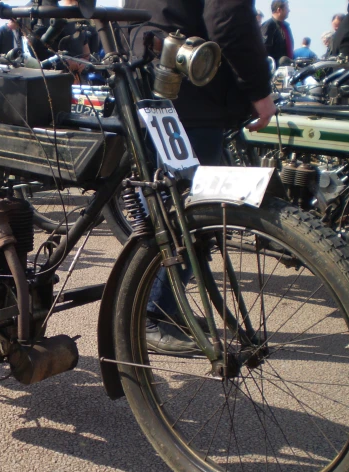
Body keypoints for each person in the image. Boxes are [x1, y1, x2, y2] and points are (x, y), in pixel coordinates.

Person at [124, 0, 276, 353]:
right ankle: (152, 312)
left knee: (169, 203)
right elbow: (227, 18)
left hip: (151, 73)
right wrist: (259, 89)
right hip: (193, 92)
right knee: (188, 210)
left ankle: (164, 306)